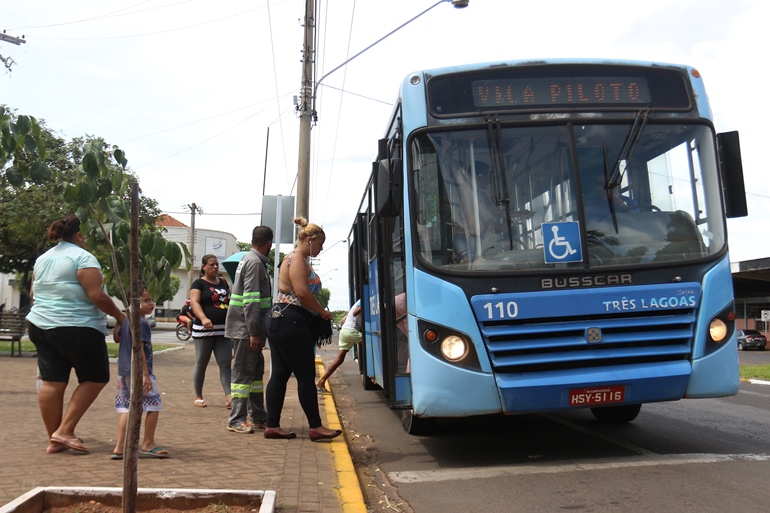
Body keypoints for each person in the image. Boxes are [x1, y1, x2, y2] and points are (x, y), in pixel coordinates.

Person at [26, 214, 127, 454]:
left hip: (40, 326)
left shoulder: (43, 259)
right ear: (79, 235)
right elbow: (98, 296)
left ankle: (55, 439)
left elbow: (33, 294)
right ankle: (65, 431)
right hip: (77, 327)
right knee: (95, 378)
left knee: (52, 381)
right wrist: (121, 317)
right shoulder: (83, 257)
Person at [263, 217, 342, 441]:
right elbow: (302, 292)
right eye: (320, 244)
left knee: (279, 374)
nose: (321, 249)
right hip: (291, 320)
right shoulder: (297, 258)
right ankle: (316, 427)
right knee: (306, 375)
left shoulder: (289, 258)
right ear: (309, 240)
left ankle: (273, 425)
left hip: (279, 318)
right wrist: (323, 312)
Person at [225, 226, 274, 434]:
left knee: (255, 374)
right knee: (243, 374)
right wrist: (254, 332)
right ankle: (236, 420)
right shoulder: (255, 263)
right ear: (269, 244)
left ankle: (258, 416)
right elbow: (251, 300)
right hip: (247, 330)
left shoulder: (248, 259)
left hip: (247, 328)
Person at [111, 288, 169, 460]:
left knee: (127, 408)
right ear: (135, 303)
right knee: (154, 405)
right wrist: (145, 374)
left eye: (152, 300)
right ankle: (148, 442)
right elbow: (139, 350)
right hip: (138, 371)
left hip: (124, 371)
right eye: (146, 301)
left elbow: (117, 338)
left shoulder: (127, 320)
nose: (151, 304)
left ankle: (120, 447)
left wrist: (120, 320)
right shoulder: (141, 323)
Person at [189, 254, 232, 409]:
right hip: (204, 330)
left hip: (223, 330)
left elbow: (230, 301)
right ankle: (198, 395)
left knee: (225, 363)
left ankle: (229, 396)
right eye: (211, 265)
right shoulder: (198, 283)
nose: (215, 267)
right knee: (202, 362)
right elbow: (194, 302)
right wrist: (204, 318)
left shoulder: (223, 282)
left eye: (216, 265)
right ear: (204, 267)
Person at [315, 300, 362, 393]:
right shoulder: (363, 300)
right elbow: (355, 312)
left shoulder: (356, 302)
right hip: (351, 332)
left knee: (339, 359)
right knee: (373, 343)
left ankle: (321, 381)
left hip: (345, 331)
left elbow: (343, 320)